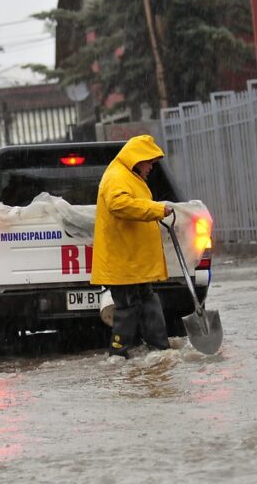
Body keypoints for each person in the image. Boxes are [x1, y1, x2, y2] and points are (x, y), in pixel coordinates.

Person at [91, 135, 174, 359]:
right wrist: (156, 209)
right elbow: (119, 204)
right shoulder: (117, 176)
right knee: (128, 308)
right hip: (124, 262)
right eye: (149, 162)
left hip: (134, 262)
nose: (151, 167)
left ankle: (161, 352)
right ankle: (118, 355)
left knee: (148, 303)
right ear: (138, 159)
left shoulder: (128, 176)